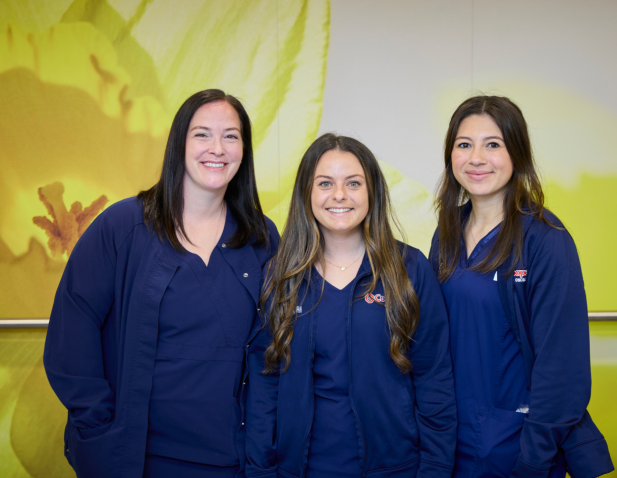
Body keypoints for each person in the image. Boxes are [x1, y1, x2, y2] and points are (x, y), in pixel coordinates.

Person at [44, 89, 280, 478]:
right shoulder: (123, 226)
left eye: (231, 136)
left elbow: (275, 347)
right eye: (202, 134)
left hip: (232, 459)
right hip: (138, 458)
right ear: (179, 145)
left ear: (244, 149)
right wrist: (99, 421)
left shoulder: (261, 237)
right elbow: (74, 326)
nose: (217, 148)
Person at [244, 133, 457, 478]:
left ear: (372, 192)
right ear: (306, 194)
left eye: (353, 183)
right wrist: (261, 469)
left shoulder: (409, 270)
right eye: (325, 183)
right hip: (300, 470)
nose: (339, 195)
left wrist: (434, 469)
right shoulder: (281, 276)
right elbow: (265, 386)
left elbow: (434, 379)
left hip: (395, 469)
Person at [429, 95, 613, 478]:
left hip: (519, 449)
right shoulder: (446, 234)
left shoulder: (545, 239)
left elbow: (562, 371)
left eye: (493, 144)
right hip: (450, 444)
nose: (476, 158)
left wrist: (532, 461)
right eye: (464, 145)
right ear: (451, 156)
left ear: (517, 154)